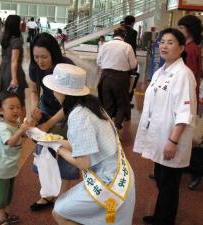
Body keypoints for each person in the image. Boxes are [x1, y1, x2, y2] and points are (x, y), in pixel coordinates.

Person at [38, 63, 135, 225]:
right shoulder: (91, 105)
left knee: (59, 212)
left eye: (55, 87)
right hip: (120, 173)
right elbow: (83, 144)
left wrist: (58, 148)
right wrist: (54, 140)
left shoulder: (78, 116)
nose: (53, 92)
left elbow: (83, 163)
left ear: (62, 91)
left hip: (108, 180)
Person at [133, 28, 197, 225]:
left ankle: (165, 220)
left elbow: (185, 113)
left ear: (181, 47)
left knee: (169, 183)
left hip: (171, 139)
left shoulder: (183, 74)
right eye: (162, 42)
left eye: (170, 42)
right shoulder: (162, 71)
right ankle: (161, 215)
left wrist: (173, 141)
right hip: (160, 136)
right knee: (162, 179)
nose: (164, 46)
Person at [29, 33, 79, 211]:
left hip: (69, 112)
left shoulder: (66, 67)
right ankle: (47, 195)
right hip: (46, 108)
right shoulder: (35, 66)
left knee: (66, 155)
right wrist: (35, 109)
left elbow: (70, 104)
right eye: (36, 57)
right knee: (43, 155)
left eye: (44, 56)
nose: (40, 61)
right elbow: (34, 90)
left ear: (53, 53)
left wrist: (48, 124)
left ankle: (63, 199)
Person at [0, 91, 30, 225]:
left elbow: (24, 133)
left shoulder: (15, 124)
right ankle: (1, 219)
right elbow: (11, 142)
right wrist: (20, 131)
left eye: (18, 107)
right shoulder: (4, 128)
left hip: (10, 167)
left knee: (7, 195)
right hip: (1, 169)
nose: (16, 110)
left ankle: (5, 215)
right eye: (11, 108)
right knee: (1, 196)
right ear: (1, 111)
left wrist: (33, 120)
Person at [97, 28, 137, 130]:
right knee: (122, 102)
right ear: (124, 36)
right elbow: (133, 65)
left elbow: (99, 62)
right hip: (121, 78)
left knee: (107, 103)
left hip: (105, 76)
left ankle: (107, 127)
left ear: (113, 35)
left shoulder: (105, 45)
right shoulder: (127, 46)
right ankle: (117, 124)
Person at [0, 15, 28, 121]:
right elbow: (14, 60)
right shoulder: (16, 41)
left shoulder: (4, 38)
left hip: (3, 70)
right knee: (20, 100)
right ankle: (22, 128)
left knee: (2, 98)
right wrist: (14, 78)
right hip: (13, 72)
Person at [178, 15, 203, 101]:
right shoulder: (189, 47)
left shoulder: (190, 49)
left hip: (186, 95)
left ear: (191, 29)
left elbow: (188, 74)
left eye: (181, 28)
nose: (179, 31)